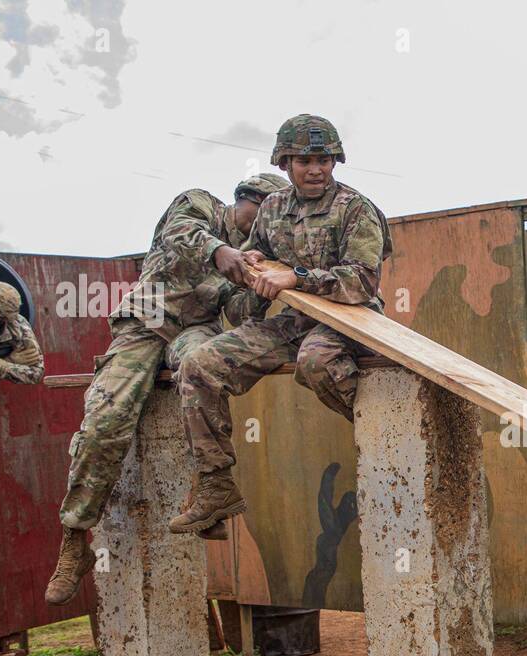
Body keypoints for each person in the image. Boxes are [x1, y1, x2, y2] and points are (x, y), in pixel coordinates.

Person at [44, 173, 289, 606]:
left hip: (192, 331)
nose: (260, 226)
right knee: (106, 418)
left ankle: (212, 489)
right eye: (260, 213)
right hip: (144, 325)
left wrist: (261, 287)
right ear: (245, 200)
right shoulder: (200, 206)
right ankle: (75, 537)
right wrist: (222, 252)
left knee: (204, 370)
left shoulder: (254, 255)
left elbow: (234, 309)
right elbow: (181, 236)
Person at [170, 113, 392, 535]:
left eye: (324, 160)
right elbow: (259, 262)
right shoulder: (272, 208)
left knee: (317, 361)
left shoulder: (355, 208)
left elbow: (363, 281)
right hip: (294, 318)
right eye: (304, 160)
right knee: (199, 364)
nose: (316, 169)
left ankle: (381, 432)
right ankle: (217, 486)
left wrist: (298, 278)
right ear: (284, 164)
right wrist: (251, 268)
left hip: (350, 316)